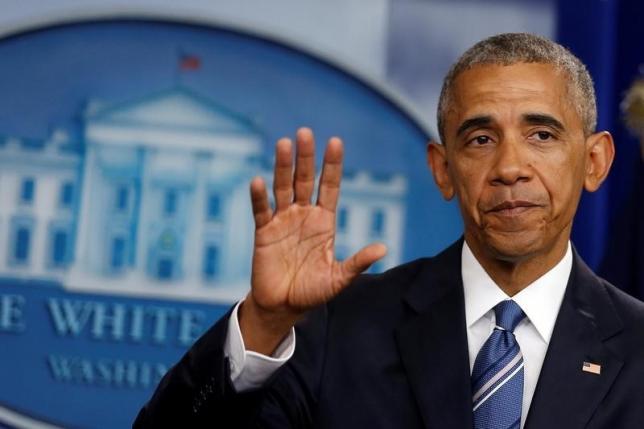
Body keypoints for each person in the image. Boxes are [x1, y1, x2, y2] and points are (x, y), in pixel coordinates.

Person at [134, 33, 644, 428]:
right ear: (443, 170)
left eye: (541, 135)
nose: (510, 166)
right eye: (481, 138)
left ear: (595, 162)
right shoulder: (335, 329)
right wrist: (264, 325)